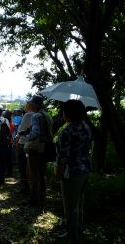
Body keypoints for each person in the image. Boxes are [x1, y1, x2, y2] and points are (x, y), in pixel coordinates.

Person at [56, 100, 92, 244]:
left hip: (71, 172)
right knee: (79, 203)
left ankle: (73, 236)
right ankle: (79, 229)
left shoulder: (67, 131)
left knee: (70, 206)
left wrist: (58, 173)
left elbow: (63, 157)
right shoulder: (86, 128)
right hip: (85, 168)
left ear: (67, 114)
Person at [23, 95, 53, 207]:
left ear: (34, 105)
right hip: (45, 148)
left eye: (30, 104)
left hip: (35, 148)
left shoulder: (36, 116)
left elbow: (35, 132)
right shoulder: (47, 116)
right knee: (42, 173)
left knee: (33, 174)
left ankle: (33, 199)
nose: (29, 105)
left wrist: (27, 137)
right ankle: (42, 195)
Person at [15, 104, 34, 194]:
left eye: (27, 105)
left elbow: (21, 130)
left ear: (31, 106)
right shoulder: (42, 115)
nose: (25, 107)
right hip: (34, 145)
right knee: (31, 167)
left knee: (23, 166)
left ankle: (24, 186)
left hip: (24, 143)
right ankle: (32, 188)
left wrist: (17, 139)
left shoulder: (28, 115)